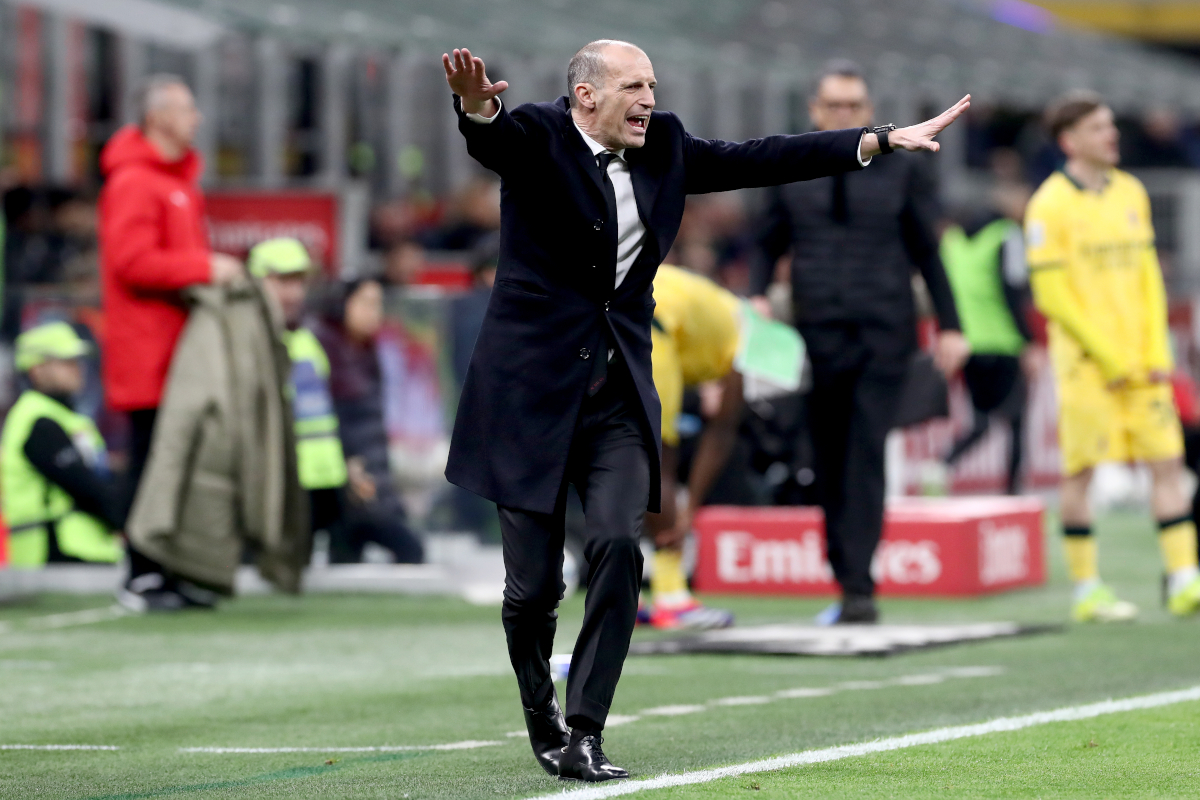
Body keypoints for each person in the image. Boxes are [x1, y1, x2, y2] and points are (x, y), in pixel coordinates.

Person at [440, 40, 968, 781]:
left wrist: (876, 140)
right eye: (633, 86)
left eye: (652, 84)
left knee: (621, 547)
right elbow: (491, 135)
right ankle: (543, 714)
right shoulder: (538, 135)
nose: (649, 99)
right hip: (527, 397)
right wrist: (474, 104)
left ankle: (587, 729)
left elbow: (763, 157)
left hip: (618, 395)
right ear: (587, 97)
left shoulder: (669, 147)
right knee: (532, 593)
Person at [750, 60, 970, 625]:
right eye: (834, 106)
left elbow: (928, 249)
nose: (844, 114)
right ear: (815, 111)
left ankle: (858, 586)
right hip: (815, 330)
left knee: (866, 451)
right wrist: (754, 295)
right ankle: (843, 570)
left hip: (883, 327)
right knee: (824, 453)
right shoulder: (792, 166)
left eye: (854, 106)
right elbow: (764, 242)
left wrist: (950, 325)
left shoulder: (903, 168)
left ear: (869, 112)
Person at [1025, 90, 1200, 621]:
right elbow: (1052, 297)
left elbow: (1149, 276)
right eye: (1099, 128)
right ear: (1069, 141)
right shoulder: (1049, 205)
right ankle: (1087, 590)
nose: (1112, 135)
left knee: (1167, 463)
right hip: (1087, 368)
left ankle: (1183, 579)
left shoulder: (1131, 191)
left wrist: (1155, 347)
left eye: (1111, 126)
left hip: (1142, 363)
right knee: (1081, 474)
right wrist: (1107, 356)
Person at [98, 74, 243, 603]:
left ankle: (170, 568)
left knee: (177, 461)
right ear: (158, 117)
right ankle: (140, 573)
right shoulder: (135, 182)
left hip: (178, 351)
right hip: (147, 352)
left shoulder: (178, 182)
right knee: (149, 459)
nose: (196, 119)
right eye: (186, 109)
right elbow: (131, 262)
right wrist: (204, 267)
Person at [251, 240, 424, 565]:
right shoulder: (313, 341)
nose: (292, 293)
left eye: (298, 281)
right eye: (282, 280)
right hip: (290, 479)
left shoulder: (313, 341)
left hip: (327, 476)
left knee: (331, 560)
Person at [643, 264, 741, 630]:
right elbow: (722, 432)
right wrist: (689, 513)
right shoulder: (750, 342)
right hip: (651, 324)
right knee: (659, 459)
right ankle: (671, 597)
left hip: (608, 308)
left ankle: (621, 596)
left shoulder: (724, 310)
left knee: (617, 454)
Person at [313, 278, 424, 564]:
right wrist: (351, 463)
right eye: (365, 303)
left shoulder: (365, 349)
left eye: (378, 305)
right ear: (342, 304)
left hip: (368, 474)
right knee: (407, 547)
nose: (374, 313)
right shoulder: (324, 346)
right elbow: (329, 413)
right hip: (346, 476)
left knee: (348, 552)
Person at [940, 183, 1040, 494]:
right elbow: (1013, 290)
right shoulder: (1007, 234)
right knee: (1017, 423)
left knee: (980, 422)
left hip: (969, 344)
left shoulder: (952, 240)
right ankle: (1012, 494)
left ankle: (940, 466)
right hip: (1004, 342)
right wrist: (1028, 340)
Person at [1, 322, 124, 567]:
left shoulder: (66, 417)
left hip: (83, 550)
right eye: (65, 362)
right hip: (54, 551)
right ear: (38, 369)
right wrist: (128, 521)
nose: (77, 369)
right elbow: (85, 487)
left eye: (76, 361)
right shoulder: (37, 420)